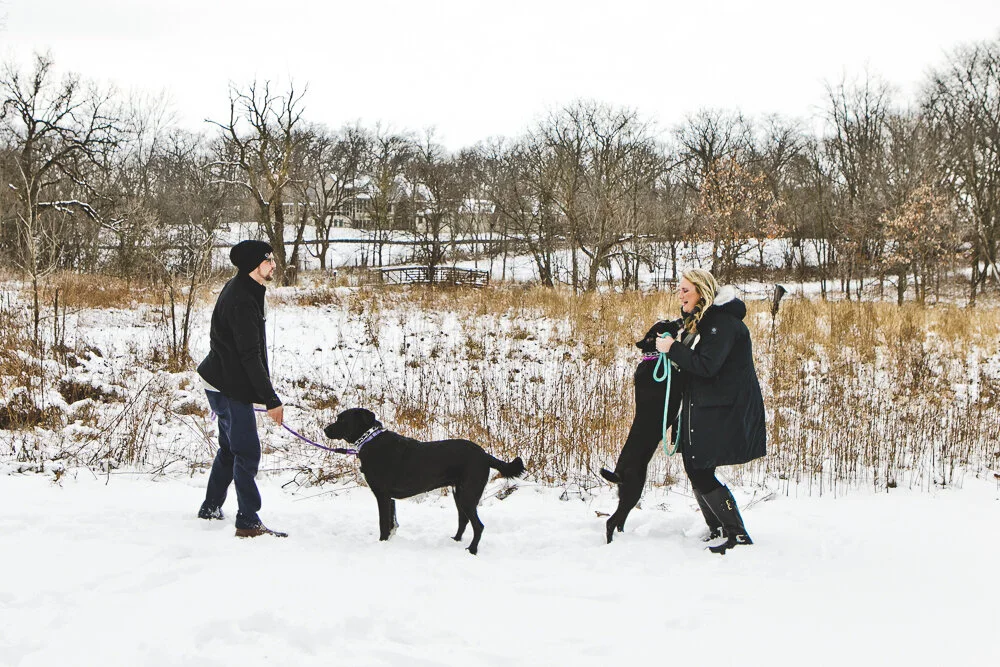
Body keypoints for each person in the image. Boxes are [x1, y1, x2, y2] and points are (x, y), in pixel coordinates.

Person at [656, 268, 766, 555]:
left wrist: (672, 349)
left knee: (700, 468)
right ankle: (718, 527)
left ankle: (737, 534)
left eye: (685, 290)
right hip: (707, 405)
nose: (680, 296)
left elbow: (707, 366)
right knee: (696, 466)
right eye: (679, 289)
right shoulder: (705, 322)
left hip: (722, 407)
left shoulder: (721, 324)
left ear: (702, 292)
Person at [196, 239, 287, 538]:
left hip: (222, 380)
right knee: (247, 451)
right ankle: (248, 520)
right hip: (228, 385)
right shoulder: (242, 300)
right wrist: (270, 399)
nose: (273, 265)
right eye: (268, 260)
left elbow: (250, 352)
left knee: (230, 448)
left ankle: (210, 507)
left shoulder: (246, 289)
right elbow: (249, 355)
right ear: (253, 266)